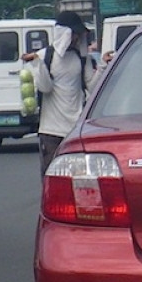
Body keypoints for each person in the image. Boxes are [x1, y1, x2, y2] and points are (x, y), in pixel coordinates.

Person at [24, 11, 99, 176]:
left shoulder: (82, 58)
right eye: (74, 34)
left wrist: (103, 68)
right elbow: (45, 88)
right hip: (51, 131)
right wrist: (38, 64)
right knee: (52, 177)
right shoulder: (45, 56)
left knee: (80, 177)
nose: (77, 38)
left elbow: (92, 89)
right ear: (64, 34)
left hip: (76, 129)